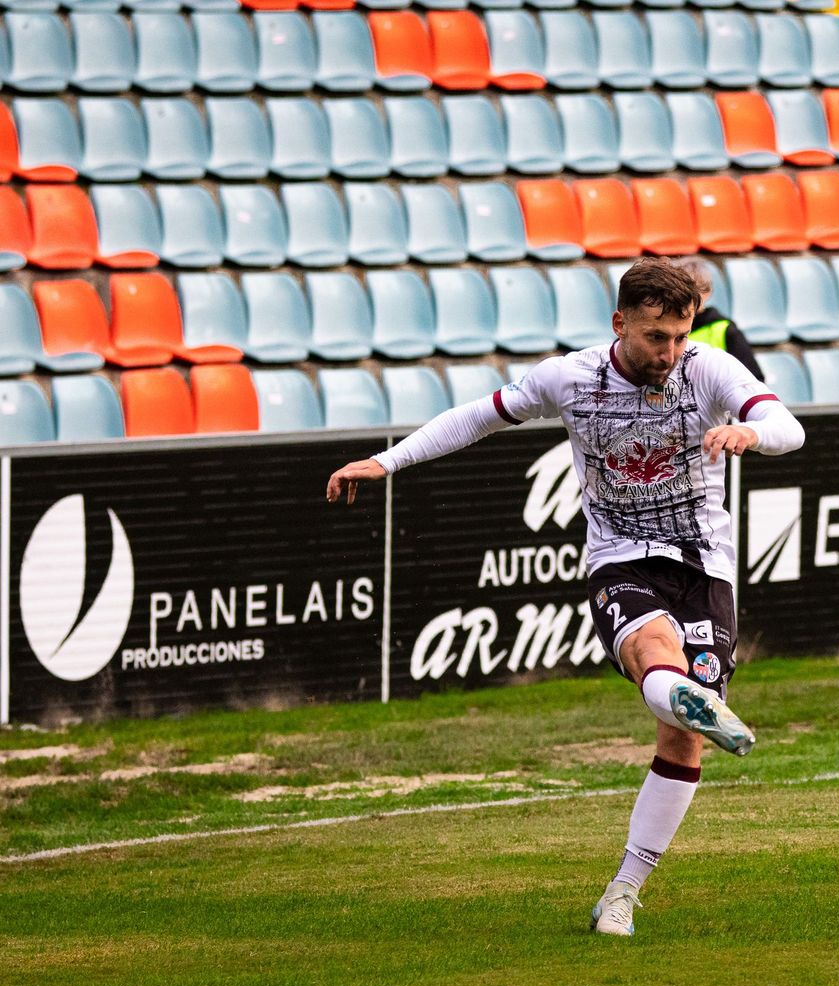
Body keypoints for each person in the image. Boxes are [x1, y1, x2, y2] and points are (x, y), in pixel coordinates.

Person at [324, 259, 805, 937]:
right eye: (655, 337)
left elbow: (789, 426)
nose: (669, 353)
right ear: (619, 323)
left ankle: (623, 890)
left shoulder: (708, 369)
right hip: (620, 556)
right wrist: (387, 460)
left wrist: (752, 432)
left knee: (682, 740)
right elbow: (478, 417)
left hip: (705, 566)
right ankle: (684, 695)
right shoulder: (571, 377)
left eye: (679, 335)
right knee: (653, 650)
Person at [673, 257, 764, 382]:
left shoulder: (727, 331)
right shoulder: (665, 329)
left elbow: (753, 381)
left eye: (694, 290)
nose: (686, 297)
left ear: (708, 292)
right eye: (680, 290)